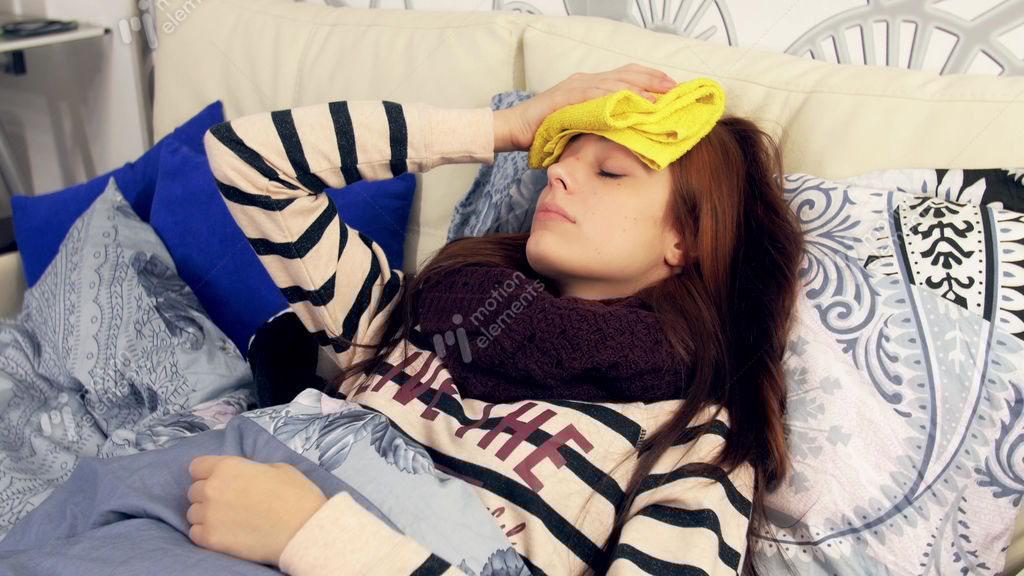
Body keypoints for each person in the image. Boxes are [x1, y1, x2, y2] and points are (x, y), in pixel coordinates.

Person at [185, 64, 804, 576]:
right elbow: (248, 160)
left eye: (610, 171)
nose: (554, 171)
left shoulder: (689, 439)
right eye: (563, 155)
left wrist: (314, 537)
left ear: (686, 240)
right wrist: (506, 127)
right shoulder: (403, 316)